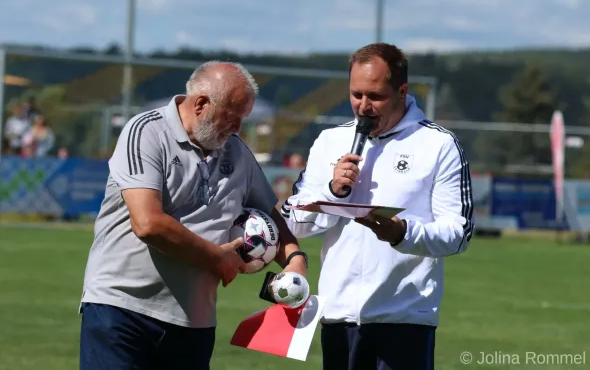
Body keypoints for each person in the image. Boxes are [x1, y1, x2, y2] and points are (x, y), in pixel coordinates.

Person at [79, 61, 309, 370]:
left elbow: (272, 216)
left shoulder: (237, 152)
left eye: (243, 118)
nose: (238, 128)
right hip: (122, 311)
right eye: (232, 116)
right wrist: (216, 258)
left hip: (194, 323)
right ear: (200, 104)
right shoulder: (146, 131)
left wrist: (295, 260)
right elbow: (148, 224)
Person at [281, 43, 474, 370]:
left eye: (376, 96)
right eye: (356, 94)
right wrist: (333, 192)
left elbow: (459, 233)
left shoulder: (438, 145)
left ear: (402, 91)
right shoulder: (329, 140)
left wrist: (403, 233)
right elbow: (294, 221)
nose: (363, 106)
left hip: (404, 320)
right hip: (337, 317)